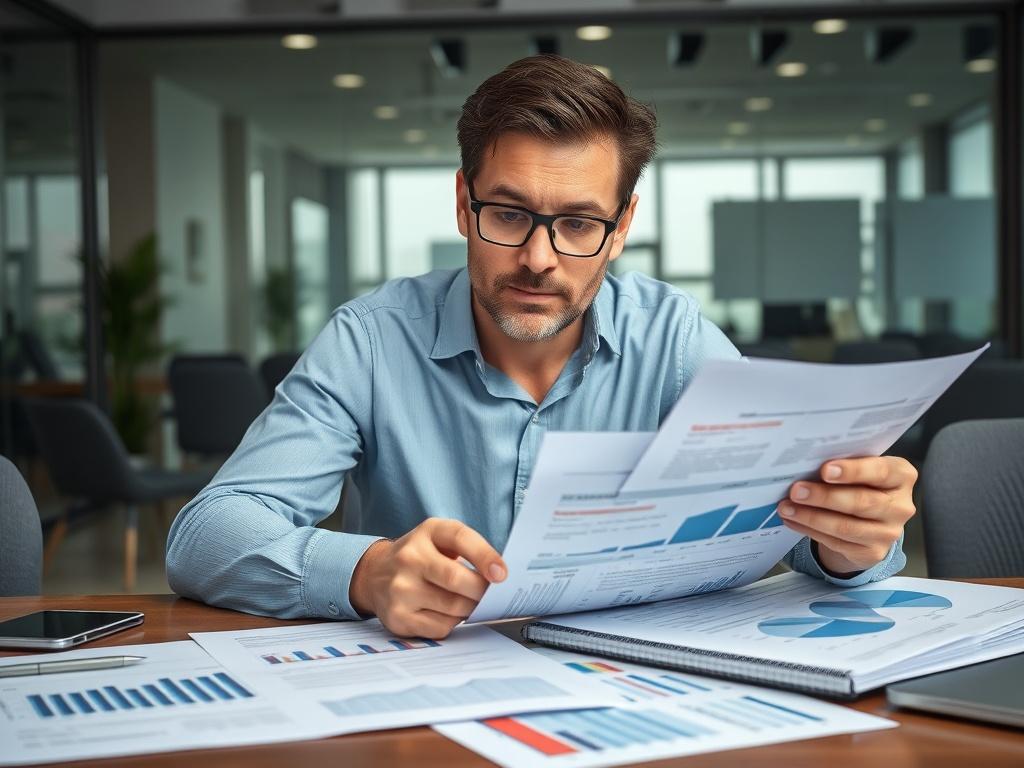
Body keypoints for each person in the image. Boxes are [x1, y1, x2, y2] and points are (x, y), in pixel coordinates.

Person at [166, 55, 916, 638]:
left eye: (580, 224)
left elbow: (790, 518)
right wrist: (365, 571)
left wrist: (847, 544)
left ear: (621, 228)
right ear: (463, 202)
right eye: (509, 213)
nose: (538, 258)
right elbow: (206, 536)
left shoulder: (676, 338)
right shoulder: (369, 340)